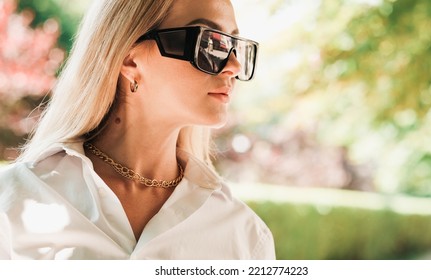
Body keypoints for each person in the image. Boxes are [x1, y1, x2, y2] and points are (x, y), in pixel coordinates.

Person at [0, 0, 275, 259]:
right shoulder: (13, 199)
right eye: (210, 44)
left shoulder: (246, 236)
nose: (234, 66)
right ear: (131, 60)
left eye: (234, 45)